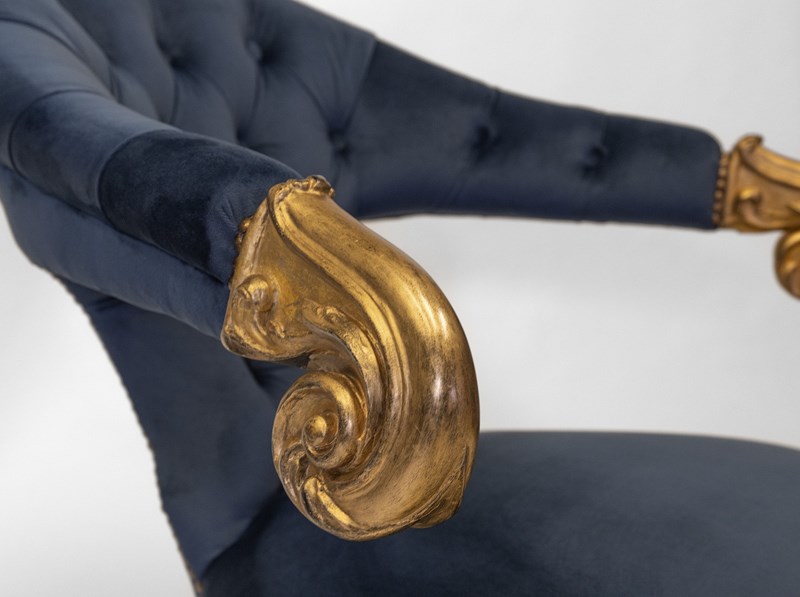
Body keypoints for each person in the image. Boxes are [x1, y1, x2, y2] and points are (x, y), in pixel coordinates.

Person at [1, 0, 798, 594]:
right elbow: (100, 164)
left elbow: (498, 134)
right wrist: (349, 291)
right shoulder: (23, 57)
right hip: (291, 511)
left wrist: (740, 185)